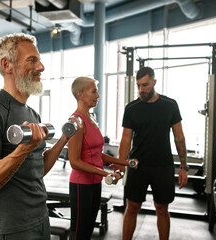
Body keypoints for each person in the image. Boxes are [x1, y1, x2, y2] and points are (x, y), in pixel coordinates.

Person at [0, 33, 71, 240]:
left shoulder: (32, 114)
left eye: (39, 60)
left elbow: (36, 169)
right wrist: (22, 149)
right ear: (7, 65)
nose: (41, 67)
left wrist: (64, 138)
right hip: (12, 228)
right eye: (32, 60)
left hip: (41, 218)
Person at [118, 67, 188, 240]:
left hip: (162, 166)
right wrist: (120, 165)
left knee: (162, 209)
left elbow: (179, 137)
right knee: (132, 207)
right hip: (138, 165)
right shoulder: (132, 108)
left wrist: (184, 166)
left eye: (146, 85)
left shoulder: (170, 105)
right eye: (139, 86)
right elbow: (126, 139)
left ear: (154, 82)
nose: (142, 89)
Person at [67, 76, 138, 240]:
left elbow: (97, 154)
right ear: (80, 94)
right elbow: (75, 162)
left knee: (89, 229)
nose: (97, 95)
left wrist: (125, 162)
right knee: (78, 233)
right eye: (94, 91)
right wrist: (105, 173)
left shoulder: (91, 119)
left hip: (95, 184)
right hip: (81, 185)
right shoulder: (75, 122)